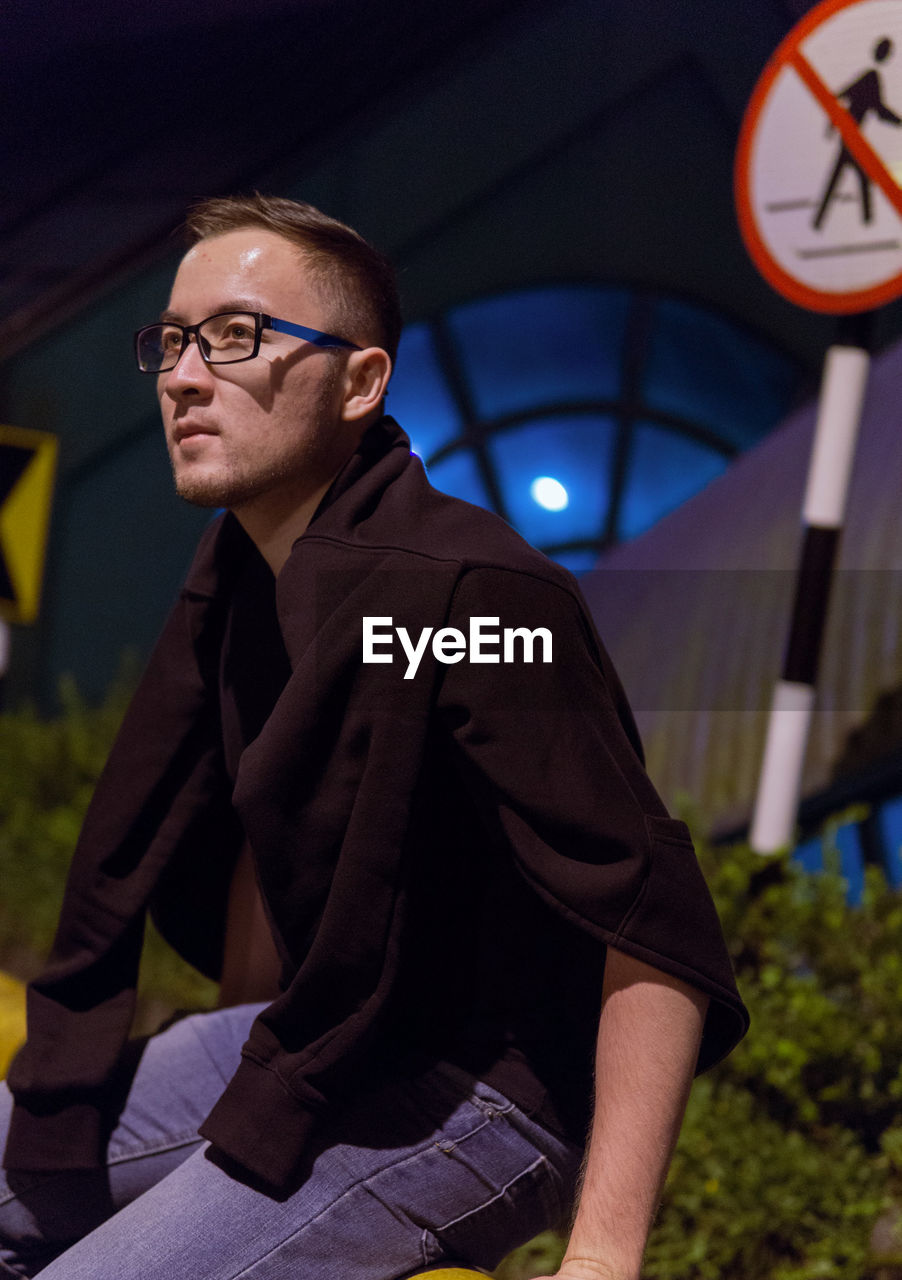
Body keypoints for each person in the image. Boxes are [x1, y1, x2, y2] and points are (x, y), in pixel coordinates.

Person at [0, 195, 748, 1280]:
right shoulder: (241, 578)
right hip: (325, 1039)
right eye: (170, 340)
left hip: (484, 1086)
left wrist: (601, 1257)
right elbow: (272, 827)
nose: (182, 375)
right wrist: (240, 1109)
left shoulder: (469, 596)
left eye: (236, 336)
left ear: (359, 382)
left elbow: (652, 922)